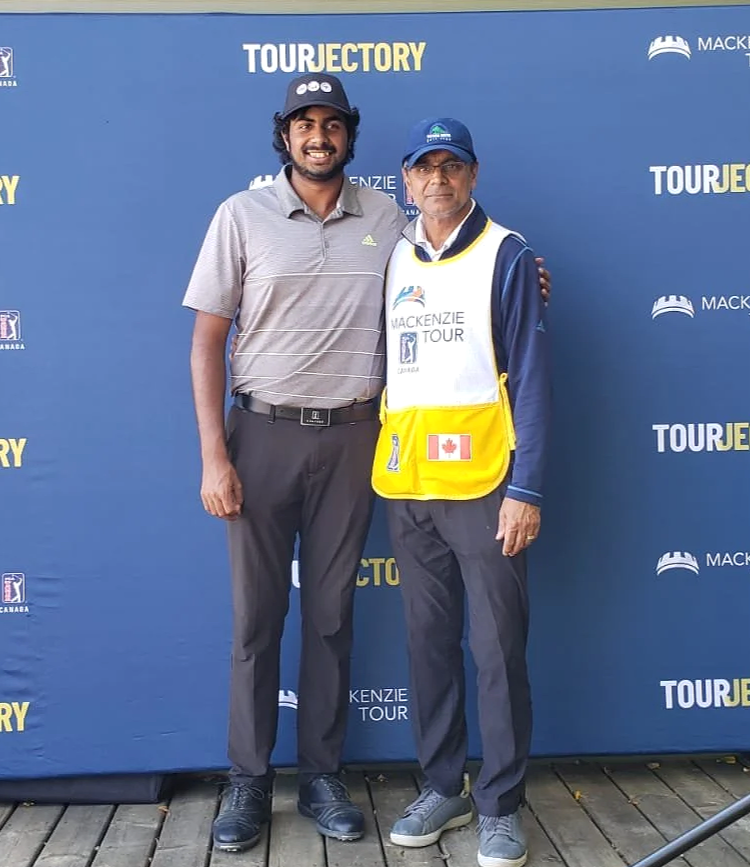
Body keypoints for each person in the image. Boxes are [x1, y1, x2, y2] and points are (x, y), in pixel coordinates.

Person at [183, 75, 551, 854]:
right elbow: (206, 340)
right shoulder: (239, 215)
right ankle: (248, 781)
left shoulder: (389, 219)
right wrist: (214, 452)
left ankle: (322, 775)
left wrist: (528, 278)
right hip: (263, 432)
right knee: (256, 619)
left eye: (332, 125)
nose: (318, 137)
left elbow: (473, 267)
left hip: (359, 443)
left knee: (331, 618)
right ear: (283, 135)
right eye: (303, 124)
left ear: (351, 136)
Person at [371, 117, 552, 867]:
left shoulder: (506, 254)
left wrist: (527, 486)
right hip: (410, 484)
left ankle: (500, 802)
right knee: (427, 643)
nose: (437, 179)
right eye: (424, 168)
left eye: (452, 167)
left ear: (472, 177)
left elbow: (534, 377)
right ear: (405, 180)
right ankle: (442, 784)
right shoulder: (394, 256)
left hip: (485, 484)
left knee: (495, 646)